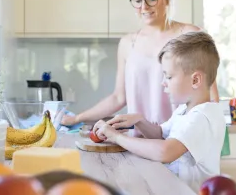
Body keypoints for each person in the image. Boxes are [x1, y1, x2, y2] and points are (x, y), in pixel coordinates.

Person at [61, 0, 219, 136]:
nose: (144, 6)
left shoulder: (190, 35)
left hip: (181, 145)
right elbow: (118, 98)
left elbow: (211, 98)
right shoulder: (128, 44)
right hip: (139, 145)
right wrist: (77, 118)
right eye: (137, 0)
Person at [93, 31, 226, 193]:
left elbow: (166, 151)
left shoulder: (203, 117)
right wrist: (139, 120)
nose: (163, 83)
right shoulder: (184, 110)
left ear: (195, 80)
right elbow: (161, 134)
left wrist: (117, 137)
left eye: (169, 77)